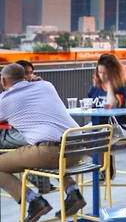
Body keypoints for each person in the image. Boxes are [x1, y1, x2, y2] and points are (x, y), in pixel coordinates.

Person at [0, 64, 85, 222]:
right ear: (26, 77)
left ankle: (34, 201)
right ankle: (73, 192)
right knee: (43, 150)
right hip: (77, 150)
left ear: (3, 81)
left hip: (50, 153)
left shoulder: (5, 100)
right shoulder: (46, 86)